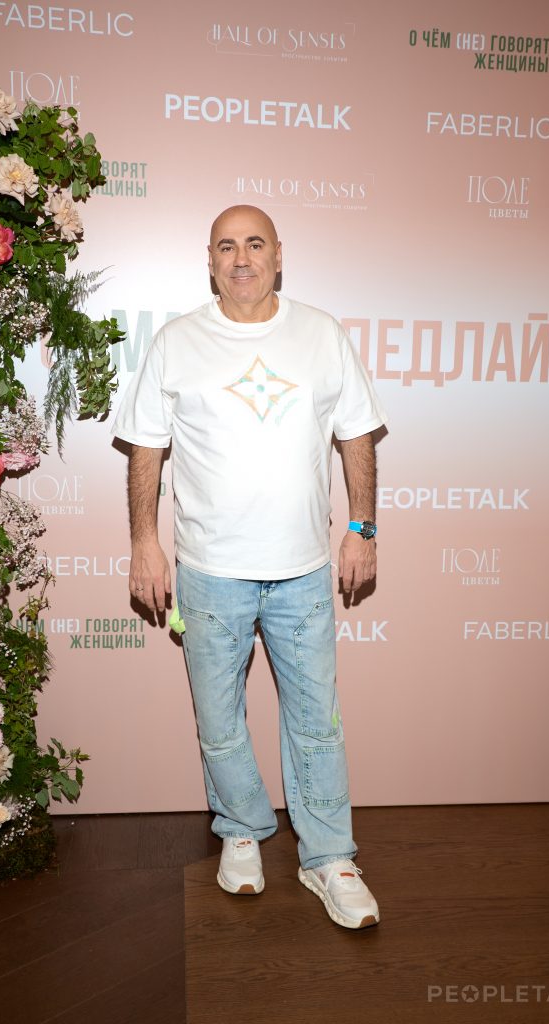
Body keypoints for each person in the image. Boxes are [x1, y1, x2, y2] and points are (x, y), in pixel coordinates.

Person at [112, 205, 387, 929]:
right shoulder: (176, 342)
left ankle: (329, 858)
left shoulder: (321, 333)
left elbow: (357, 436)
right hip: (209, 571)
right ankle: (240, 830)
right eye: (227, 246)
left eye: (254, 244)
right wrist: (144, 543)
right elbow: (146, 449)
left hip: (303, 570)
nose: (241, 258)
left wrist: (362, 530)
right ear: (209, 260)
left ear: (278, 255)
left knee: (317, 723)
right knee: (219, 718)